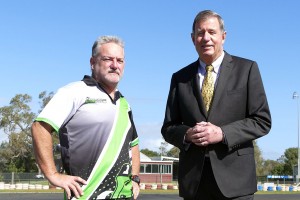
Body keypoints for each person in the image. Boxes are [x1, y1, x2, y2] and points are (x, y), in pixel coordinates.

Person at [161, 10, 271, 200]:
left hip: (236, 183)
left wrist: (222, 133)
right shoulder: (179, 78)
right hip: (194, 183)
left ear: (223, 36)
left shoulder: (247, 69)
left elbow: (262, 121)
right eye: (200, 32)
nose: (206, 38)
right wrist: (187, 134)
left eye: (211, 32)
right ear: (192, 38)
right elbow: (169, 127)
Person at [31, 35, 140, 200]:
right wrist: (53, 174)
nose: (115, 65)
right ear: (92, 62)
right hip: (85, 195)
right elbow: (39, 128)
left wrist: (135, 178)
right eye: (108, 59)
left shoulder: (124, 103)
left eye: (120, 60)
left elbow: (133, 144)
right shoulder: (75, 92)